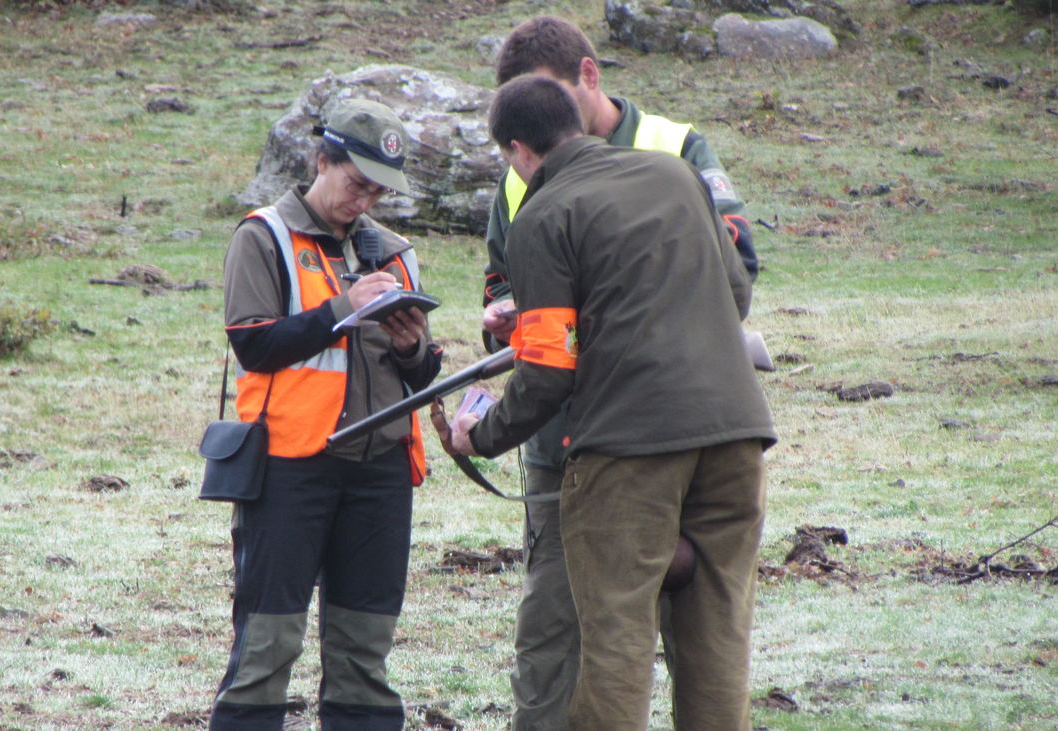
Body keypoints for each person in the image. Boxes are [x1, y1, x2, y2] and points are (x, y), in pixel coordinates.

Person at [437, 75, 776, 730]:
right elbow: (733, 296)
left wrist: (477, 435)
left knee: (616, 641)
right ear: (575, 120)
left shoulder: (541, 214)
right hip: (736, 437)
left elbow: (548, 371)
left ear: (517, 149)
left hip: (628, 451)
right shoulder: (676, 177)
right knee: (718, 642)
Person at [210, 98, 443, 730]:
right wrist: (341, 309)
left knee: (365, 656)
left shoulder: (397, 253)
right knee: (266, 647)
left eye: (377, 191)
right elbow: (253, 344)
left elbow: (420, 375)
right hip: (290, 468)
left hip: (381, 475)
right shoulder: (263, 237)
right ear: (321, 160)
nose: (364, 200)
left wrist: (411, 347)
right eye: (355, 183)